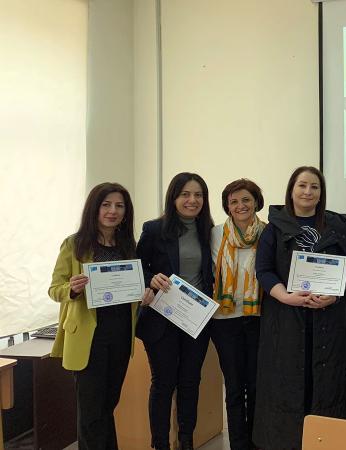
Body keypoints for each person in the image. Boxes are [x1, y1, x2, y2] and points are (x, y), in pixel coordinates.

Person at [48, 182, 154, 450]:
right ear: (94, 208)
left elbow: (133, 287)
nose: (112, 211)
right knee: (91, 411)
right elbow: (54, 289)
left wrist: (143, 294)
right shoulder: (74, 244)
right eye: (106, 205)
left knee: (108, 405)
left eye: (119, 206)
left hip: (120, 334)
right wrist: (72, 289)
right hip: (88, 336)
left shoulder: (128, 245)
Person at [253, 166, 346, 450]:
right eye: (302, 185)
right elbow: (264, 271)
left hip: (326, 319)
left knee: (323, 382)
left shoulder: (336, 226)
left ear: (321, 193)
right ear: (291, 190)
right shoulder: (274, 228)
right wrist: (285, 297)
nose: (308, 192)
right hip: (286, 318)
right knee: (289, 381)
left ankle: (322, 441)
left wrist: (334, 296)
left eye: (314, 187)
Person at [136, 172, 215, 450]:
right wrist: (151, 279)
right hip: (161, 319)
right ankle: (160, 444)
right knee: (163, 383)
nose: (192, 200)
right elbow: (138, 267)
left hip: (196, 320)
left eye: (198, 195)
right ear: (173, 197)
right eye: (185, 194)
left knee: (190, 382)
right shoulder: (154, 229)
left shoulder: (209, 231)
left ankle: (186, 441)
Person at [209, 178, 266, 450]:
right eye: (234, 201)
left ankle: (256, 442)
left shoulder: (269, 233)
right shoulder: (214, 234)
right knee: (233, 387)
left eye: (246, 200)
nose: (240, 206)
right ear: (227, 206)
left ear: (256, 202)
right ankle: (238, 445)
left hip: (259, 318)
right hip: (224, 321)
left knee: (256, 386)